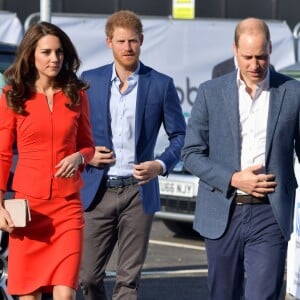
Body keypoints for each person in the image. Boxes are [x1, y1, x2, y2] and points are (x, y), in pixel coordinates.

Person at [182, 17, 300, 299]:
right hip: (223, 211)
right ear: (235, 50)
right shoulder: (211, 92)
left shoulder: (292, 92)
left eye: (261, 56)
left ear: (270, 49)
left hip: (270, 212)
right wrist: (234, 179)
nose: (254, 64)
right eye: (247, 57)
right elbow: (190, 154)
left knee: (263, 295)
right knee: (223, 294)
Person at [79, 10, 186, 300]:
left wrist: (161, 164)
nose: (128, 47)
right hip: (97, 190)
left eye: (133, 41)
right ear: (109, 42)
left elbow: (181, 136)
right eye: (121, 41)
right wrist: (86, 155)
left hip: (138, 192)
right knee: (87, 276)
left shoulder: (161, 84)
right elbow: (72, 133)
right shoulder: (89, 81)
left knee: (128, 282)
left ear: (141, 41)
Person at [0, 22, 95, 300]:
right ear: (31, 55)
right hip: (29, 211)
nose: (55, 59)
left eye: (59, 53)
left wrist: (79, 157)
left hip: (67, 209)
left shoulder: (76, 95)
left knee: (65, 293)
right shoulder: (13, 96)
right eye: (47, 52)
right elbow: (3, 154)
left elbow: (88, 146)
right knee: (28, 295)